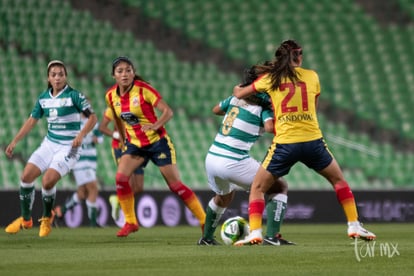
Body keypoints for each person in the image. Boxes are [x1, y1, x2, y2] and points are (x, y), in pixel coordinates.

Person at [233, 40, 376, 246]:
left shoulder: (270, 79)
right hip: (312, 141)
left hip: (285, 144)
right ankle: (353, 224)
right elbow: (313, 109)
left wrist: (238, 87)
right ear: (298, 56)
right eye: (300, 52)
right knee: (339, 181)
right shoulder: (312, 76)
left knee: (258, 188)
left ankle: (255, 232)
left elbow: (239, 94)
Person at [105, 56, 206, 237]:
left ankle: (204, 220)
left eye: (128, 70)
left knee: (175, 186)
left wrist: (156, 125)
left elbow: (168, 111)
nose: (125, 74)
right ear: (114, 75)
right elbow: (118, 120)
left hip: (157, 143)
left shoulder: (144, 90)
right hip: (135, 145)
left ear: (134, 73)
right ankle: (130, 222)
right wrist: (122, 139)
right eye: (120, 71)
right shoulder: (111, 96)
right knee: (121, 178)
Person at [198, 66, 294, 246]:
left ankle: (207, 238)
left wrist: (236, 103)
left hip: (212, 157)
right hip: (233, 160)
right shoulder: (263, 107)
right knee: (279, 186)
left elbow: (216, 109)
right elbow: (269, 128)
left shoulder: (235, 98)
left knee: (223, 197)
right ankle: (272, 237)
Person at [4, 60, 97, 237]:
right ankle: (25, 219)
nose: (57, 77)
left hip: (69, 147)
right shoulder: (43, 98)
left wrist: (81, 134)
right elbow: (32, 121)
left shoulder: (74, 96)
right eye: (53, 74)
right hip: (49, 144)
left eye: (61, 74)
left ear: (66, 76)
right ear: (48, 77)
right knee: (26, 177)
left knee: (47, 181)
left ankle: (47, 217)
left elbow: (92, 118)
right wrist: (15, 141)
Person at [54, 109, 104, 227]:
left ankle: (60, 211)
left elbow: (100, 137)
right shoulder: (73, 124)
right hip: (80, 161)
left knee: (82, 193)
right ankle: (93, 224)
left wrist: (95, 139)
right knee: (93, 189)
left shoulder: (93, 123)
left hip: (91, 162)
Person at [99, 107, 146, 222]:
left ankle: (118, 200)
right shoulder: (112, 108)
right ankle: (129, 220)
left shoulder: (136, 106)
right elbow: (102, 127)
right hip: (120, 149)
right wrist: (116, 135)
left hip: (136, 148)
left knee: (139, 187)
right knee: (128, 183)